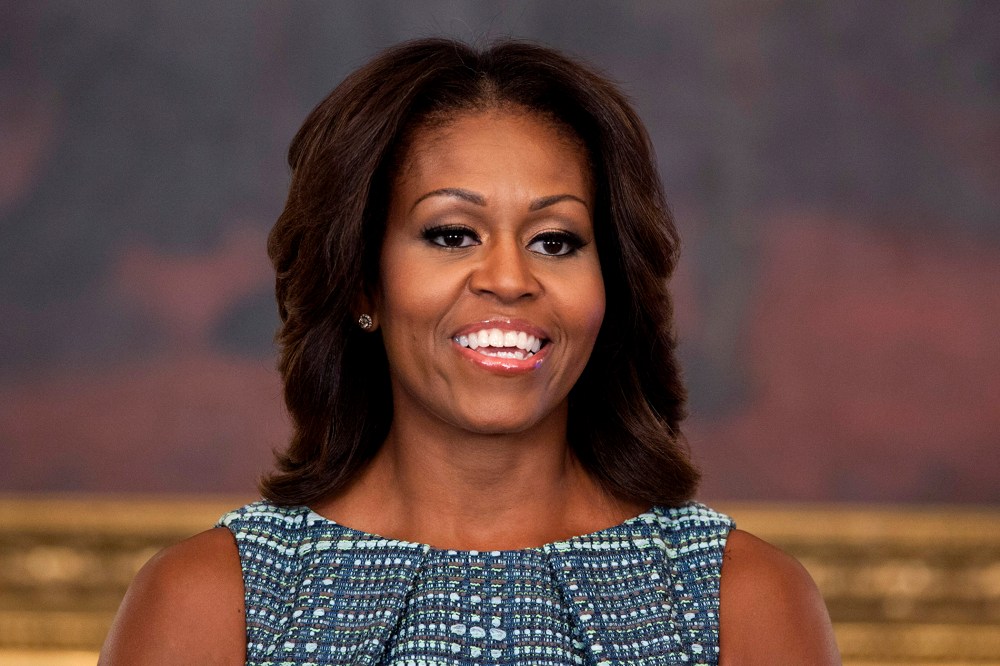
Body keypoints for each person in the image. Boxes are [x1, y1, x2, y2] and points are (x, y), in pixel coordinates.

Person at [101, 38, 840, 665]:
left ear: (608, 287)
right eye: (452, 234)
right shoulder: (207, 604)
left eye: (556, 241)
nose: (510, 280)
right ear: (362, 281)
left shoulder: (743, 603)